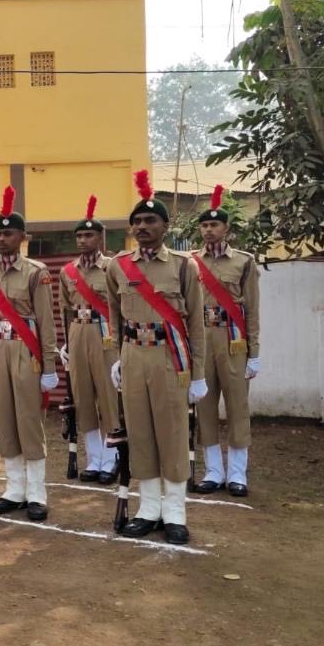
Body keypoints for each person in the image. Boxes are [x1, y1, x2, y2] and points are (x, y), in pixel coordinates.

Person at [106, 170, 207, 545]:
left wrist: (198, 373)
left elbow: (195, 322)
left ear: (166, 226)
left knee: (173, 432)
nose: (143, 226)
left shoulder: (183, 265)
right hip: (134, 355)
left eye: (150, 220)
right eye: (137, 221)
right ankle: (148, 509)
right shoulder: (118, 265)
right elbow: (114, 315)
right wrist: (117, 357)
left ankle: (175, 511)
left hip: (170, 357)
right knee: (140, 432)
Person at [0, 186, 58, 521]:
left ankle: (36, 492)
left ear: (23, 236)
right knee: (4, 419)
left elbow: (47, 322)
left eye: (8, 233)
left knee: (29, 420)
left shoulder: (36, 272)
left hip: (26, 350)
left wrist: (49, 366)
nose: (1, 239)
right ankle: (14, 489)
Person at [191, 185, 261, 498]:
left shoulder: (244, 262)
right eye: (204, 225)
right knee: (204, 407)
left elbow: (252, 309)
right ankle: (213, 472)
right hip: (202, 340)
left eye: (214, 225)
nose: (209, 230)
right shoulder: (190, 262)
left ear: (226, 229)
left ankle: (237, 474)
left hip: (234, 342)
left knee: (237, 407)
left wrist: (254, 352)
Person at [57, 195, 119, 484]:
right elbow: (65, 309)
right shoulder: (67, 272)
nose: (82, 240)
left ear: (100, 237)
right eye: (79, 236)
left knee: (108, 396)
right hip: (78, 332)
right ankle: (94, 458)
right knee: (82, 398)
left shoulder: (113, 268)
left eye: (88, 235)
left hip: (106, 333)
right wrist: (66, 343)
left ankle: (112, 456)